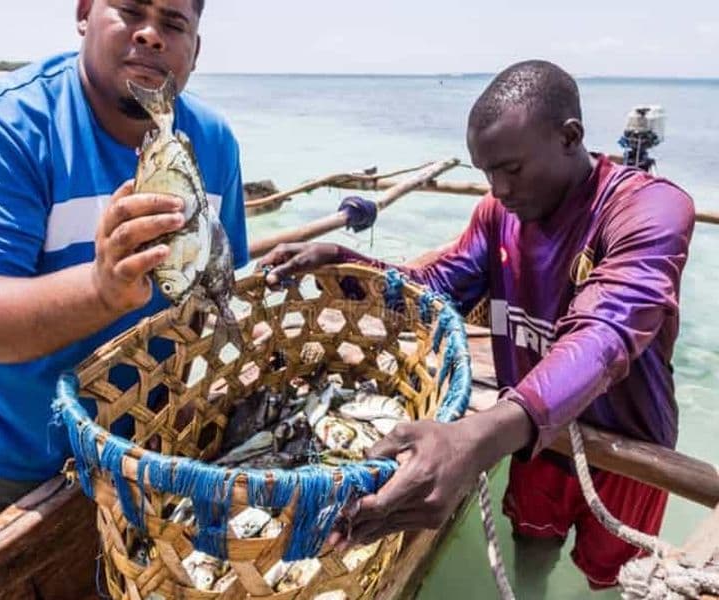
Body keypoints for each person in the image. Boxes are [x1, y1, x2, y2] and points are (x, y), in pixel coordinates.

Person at [260, 60, 695, 589]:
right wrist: (347, 267)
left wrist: (475, 437)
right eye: (486, 172)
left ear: (570, 137)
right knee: (531, 544)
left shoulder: (647, 207)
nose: (499, 188)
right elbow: (436, 287)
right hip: (536, 438)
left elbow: (605, 334)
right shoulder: (497, 214)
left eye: (511, 169)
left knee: (615, 577)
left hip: (628, 450)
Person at [0, 0, 248, 549]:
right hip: (0, 449)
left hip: (142, 439)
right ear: (84, 13)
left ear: (195, 47)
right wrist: (101, 289)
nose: (150, 36)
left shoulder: (212, 143)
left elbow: (221, 284)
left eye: (173, 24)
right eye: (130, 11)